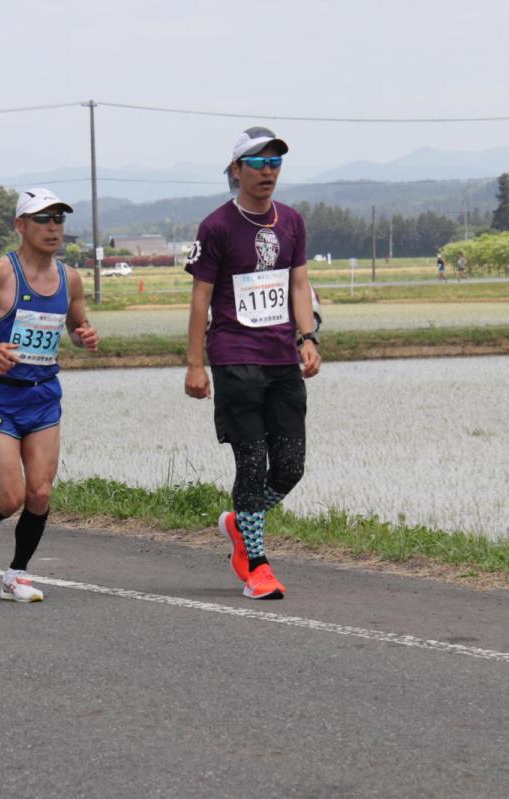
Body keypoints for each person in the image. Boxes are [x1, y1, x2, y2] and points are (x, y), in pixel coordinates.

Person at [0, 187, 99, 603]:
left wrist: (85, 337)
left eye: (59, 219)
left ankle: (17, 574)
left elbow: (77, 329)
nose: (53, 227)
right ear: (20, 225)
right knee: (10, 498)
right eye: (43, 219)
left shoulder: (70, 278)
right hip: (1, 398)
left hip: (44, 396)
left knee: (41, 492)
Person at [184, 126, 321, 601]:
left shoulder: (292, 222)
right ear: (237, 170)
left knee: (290, 466)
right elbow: (200, 299)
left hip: (282, 357)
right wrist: (195, 365)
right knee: (251, 461)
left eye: (275, 162)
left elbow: (298, 285)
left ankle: (241, 523)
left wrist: (308, 337)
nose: (268, 171)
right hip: (234, 358)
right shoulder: (217, 226)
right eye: (258, 163)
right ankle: (257, 566)